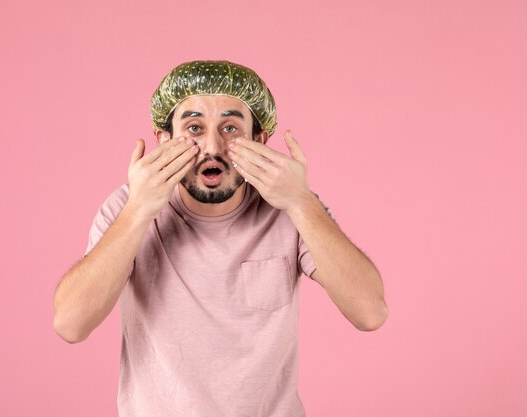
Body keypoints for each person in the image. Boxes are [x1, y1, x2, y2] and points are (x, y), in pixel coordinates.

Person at [53, 60, 388, 417]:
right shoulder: (127, 207)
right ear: (164, 141)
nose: (212, 146)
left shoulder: (292, 207)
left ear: (259, 140)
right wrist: (139, 210)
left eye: (230, 128)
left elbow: (370, 312)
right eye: (194, 127)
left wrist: (300, 202)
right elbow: (71, 324)